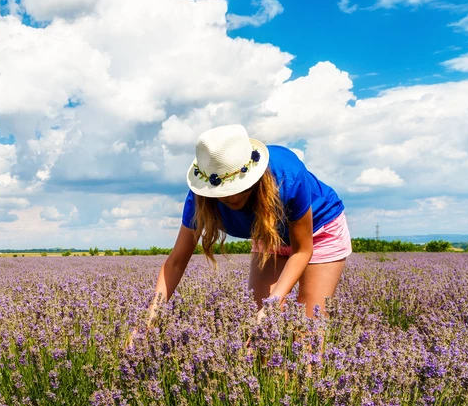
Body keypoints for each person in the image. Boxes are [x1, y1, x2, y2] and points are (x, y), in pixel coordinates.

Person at [133, 124, 351, 338]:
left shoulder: (288, 175)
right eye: (222, 191)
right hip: (267, 233)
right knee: (260, 332)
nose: (233, 197)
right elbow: (176, 262)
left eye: (240, 188)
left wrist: (273, 303)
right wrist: (148, 321)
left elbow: (302, 250)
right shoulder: (200, 199)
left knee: (308, 329)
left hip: (319, 230)